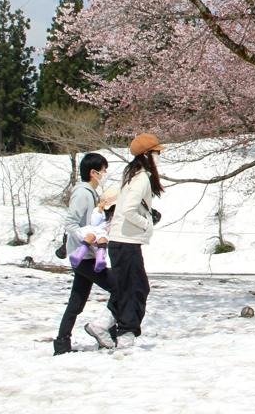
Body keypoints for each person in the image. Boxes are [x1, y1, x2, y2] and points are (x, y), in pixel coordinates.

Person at [85, 133, 163, 351]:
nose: (159, 157)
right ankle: (126, 332)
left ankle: (102, 324)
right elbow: (128, 209)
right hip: (126, 241)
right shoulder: (141, 178)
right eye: (157, 153)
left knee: (126, 288)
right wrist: (146, 224)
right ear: (147, 155)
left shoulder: (132, 175)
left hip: (121, 241)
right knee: (138, 289)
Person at [54, 153, 114, 355]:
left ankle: (62, 343)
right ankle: (107, 334)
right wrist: (87, 235)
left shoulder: (91, 193)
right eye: (104, 170)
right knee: (119, 288)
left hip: (86, 254)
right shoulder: (83, 194)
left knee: (77, 301)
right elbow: (71, 223)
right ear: (93, 172)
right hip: (83, 255)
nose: (105, 174)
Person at [67, 189, 118, 273]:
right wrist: (99, 211)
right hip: (94, 230)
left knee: (103, 240)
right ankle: (78, 255)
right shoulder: (98, 211)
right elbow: (94, 222)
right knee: (90, 236)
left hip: (104, 233)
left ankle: (100, 260)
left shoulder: (115, 215)